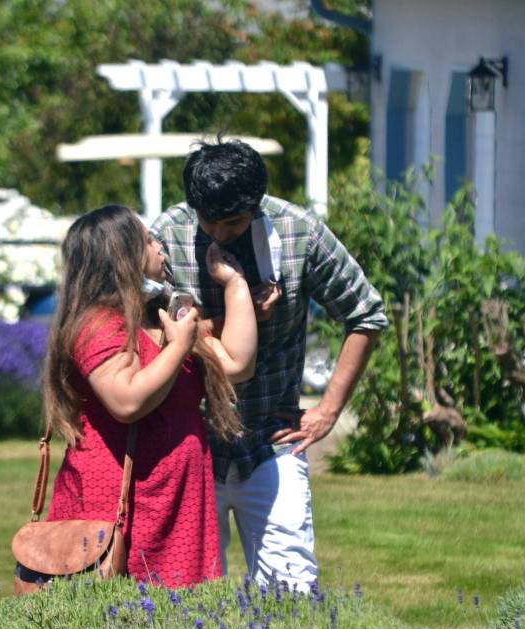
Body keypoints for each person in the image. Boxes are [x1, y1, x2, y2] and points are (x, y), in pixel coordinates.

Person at [151, 139, 388, 590]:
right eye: (208, 221)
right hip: (188, 443)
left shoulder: (299, 232)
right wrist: (240, 313)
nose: (219, 234)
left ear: (256, 206)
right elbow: (150, 330)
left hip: (272, 440)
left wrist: (328, 412)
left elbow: (366, 313)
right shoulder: (167, 235)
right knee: (185, 597)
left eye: (233, 223)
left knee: (291, 593)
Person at [40, 204, 257, 588]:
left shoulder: (158, 317)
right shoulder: (96, 324)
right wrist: (179, 346)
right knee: (112, 608)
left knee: (178, 611)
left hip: (173, 494)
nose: (160, 247)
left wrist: (234, 285)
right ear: (122, 255)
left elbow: (238, 363)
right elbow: (126, 401)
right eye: (147, 240)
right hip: (118, 497)